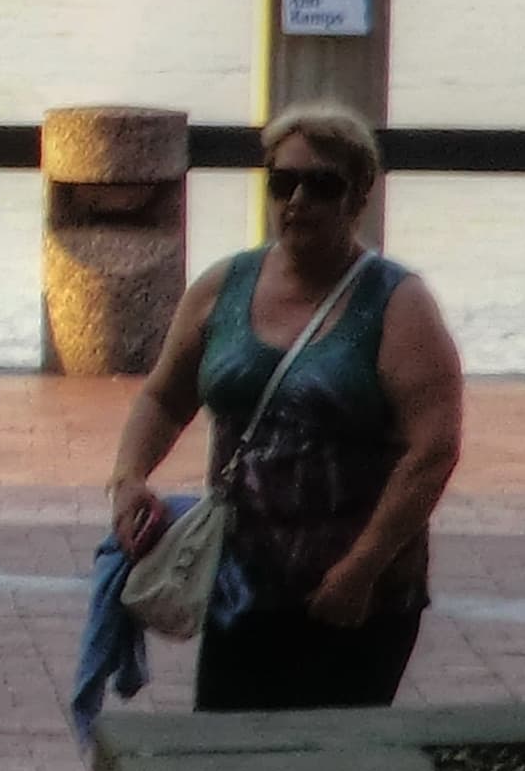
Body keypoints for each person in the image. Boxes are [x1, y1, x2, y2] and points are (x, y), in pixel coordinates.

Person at [106, 102, 464, 712]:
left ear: (358, 199)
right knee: (232, 761)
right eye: (283, 182)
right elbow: (165, 395)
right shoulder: (225, 286)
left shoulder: (398, 304)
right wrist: (129, 477)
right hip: (241, 580)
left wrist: (364, 567)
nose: (297, 200)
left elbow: (432, 450)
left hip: (353, 593)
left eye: (321, 186)